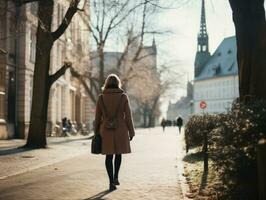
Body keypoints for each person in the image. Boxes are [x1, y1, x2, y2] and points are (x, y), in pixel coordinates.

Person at [94, 74, 135, 191]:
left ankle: (111, 182)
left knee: (108, 156)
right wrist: (131, 132)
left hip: (105, 131)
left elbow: (97, 117)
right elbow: (128, 116)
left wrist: (96, 131)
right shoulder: (123, 97)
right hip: (120, 129)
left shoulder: (101, 98)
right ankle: (116, 177)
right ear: (118, 84)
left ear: (106, 83)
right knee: (118, 153)